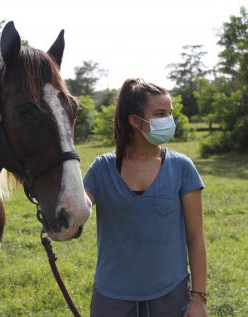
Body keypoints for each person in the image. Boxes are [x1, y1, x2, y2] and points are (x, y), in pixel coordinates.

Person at [83, 78, 207, 317]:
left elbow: (195, 236)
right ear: (134, 120)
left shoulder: (182, 167)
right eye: (160, 113)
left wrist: (199, 298)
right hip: (112, 297)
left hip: (170, 295)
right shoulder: (101, 168)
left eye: (169, 113)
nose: (168, 120)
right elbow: (77, 209)